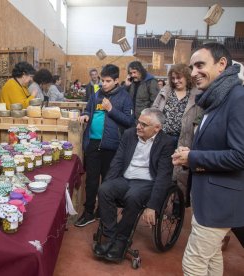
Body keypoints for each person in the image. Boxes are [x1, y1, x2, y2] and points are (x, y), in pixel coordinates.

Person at [172, 43, 244, 275]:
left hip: (220, 201)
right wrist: (191, 153)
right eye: (192, 67)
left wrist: (193, 157)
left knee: (193, 263)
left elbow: (240, 155)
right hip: (209, 198)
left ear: (222, 64)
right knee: (212, 257)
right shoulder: (216, 97)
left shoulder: (237, 98)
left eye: (200, 65)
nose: (193, 73)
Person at [94, 108, 174, 262]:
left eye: (144, 125)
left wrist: (153, 206)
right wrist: (108, 181)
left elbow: (164, 177)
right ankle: (111, 237)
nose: (138, 126)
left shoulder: (166, 143)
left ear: (157, 128)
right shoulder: (129, 134)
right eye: (139, 122)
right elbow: (117, 162)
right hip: (126, 177)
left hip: (147, 182)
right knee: (104, 189)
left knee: (133, 196)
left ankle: (122, 240)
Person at [74, 64, 135, 227]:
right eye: (102, 80)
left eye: (108, 81)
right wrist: (86, 115)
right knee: (91, 181)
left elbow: (130, 122)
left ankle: (103, 211)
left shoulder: (125, 97)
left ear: (116, 80)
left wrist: (111, 109)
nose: (104, 84)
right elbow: (87, 109)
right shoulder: (96, 94)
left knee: (107, 182)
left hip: (112, 146)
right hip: (93, 143)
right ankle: (88, 213)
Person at [152, 64, 203, 201]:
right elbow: (155, 110)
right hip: (164, 138)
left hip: (184, 139)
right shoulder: (166, 90)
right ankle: (159, 202)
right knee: (162, 171)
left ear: (187, 77)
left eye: (179, 78)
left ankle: (177, 206)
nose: (176, 81)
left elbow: (200, 116)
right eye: (173, 78)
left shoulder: (196, 94)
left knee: (180, 175)